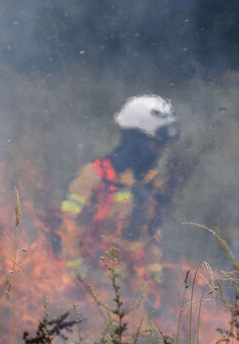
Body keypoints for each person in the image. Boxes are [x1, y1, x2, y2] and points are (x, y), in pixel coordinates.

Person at [51, 94, 180, 287]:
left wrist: (156, 281)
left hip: (137, 291)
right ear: (135, 140)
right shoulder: (93, 176)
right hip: (97, 288)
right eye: (156, 145)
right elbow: (68, 228)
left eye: (163, 146)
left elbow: (152, 239)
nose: (160, 152)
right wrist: (78, 279)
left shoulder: (152, 183)